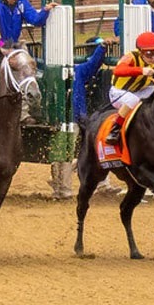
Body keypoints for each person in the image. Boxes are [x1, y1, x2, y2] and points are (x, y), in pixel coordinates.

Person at [49, 37, 120, 200]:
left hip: (80, 117)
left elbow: (94, 63)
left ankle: (102, 184)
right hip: (65, 119)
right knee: (64, 154)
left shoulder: (79, 70)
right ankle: (63, 189)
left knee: (97, 147)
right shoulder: (62, 72)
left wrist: (102, 48)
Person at [0, 0, 58, 124]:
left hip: (15, 45)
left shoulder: (22, 3)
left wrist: (45, 10)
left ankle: (27, 112)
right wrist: (0, 47)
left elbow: (35, 20)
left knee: (27, 68)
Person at [106, 31, 154, 145]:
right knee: (133, 100)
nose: (153, 58)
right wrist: (141, 71)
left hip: (139, 91)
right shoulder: (130, 57)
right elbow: (118, 70)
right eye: (149, 54)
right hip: (119, 92)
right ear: (141, 52)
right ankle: (114, 130)